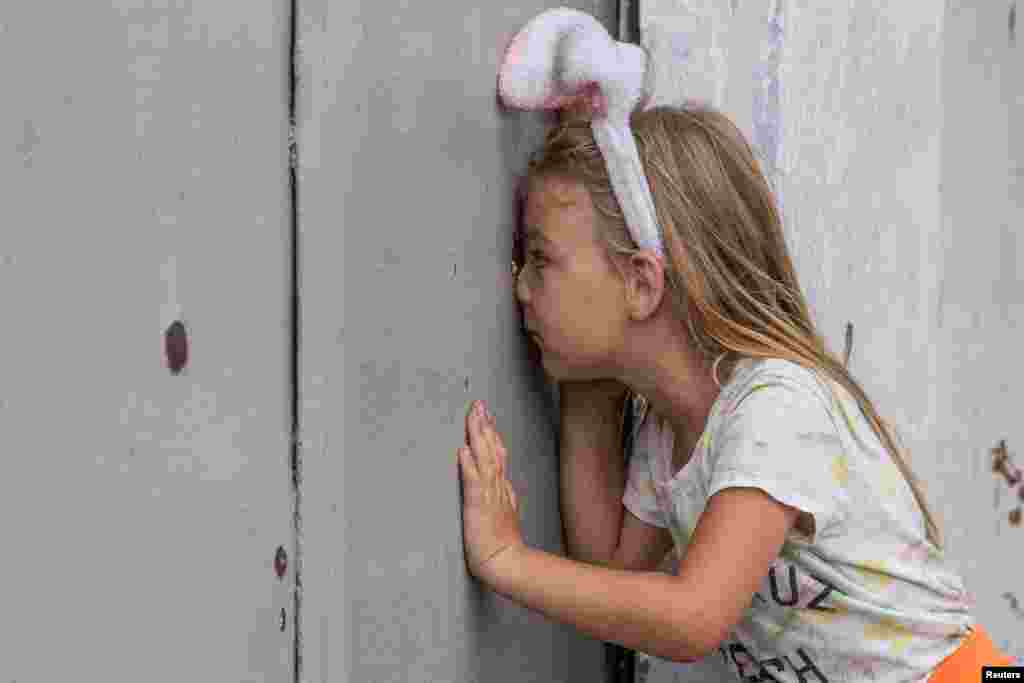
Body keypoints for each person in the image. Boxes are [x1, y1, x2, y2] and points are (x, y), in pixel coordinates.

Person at [455, 101, 1020, 681]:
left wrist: (509, 560)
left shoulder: (774, 407)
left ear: (641, 283)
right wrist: (585, 387)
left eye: (541, 259)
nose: (519, 286)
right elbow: (613, 573)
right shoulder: (674, 427)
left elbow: (693, 618)